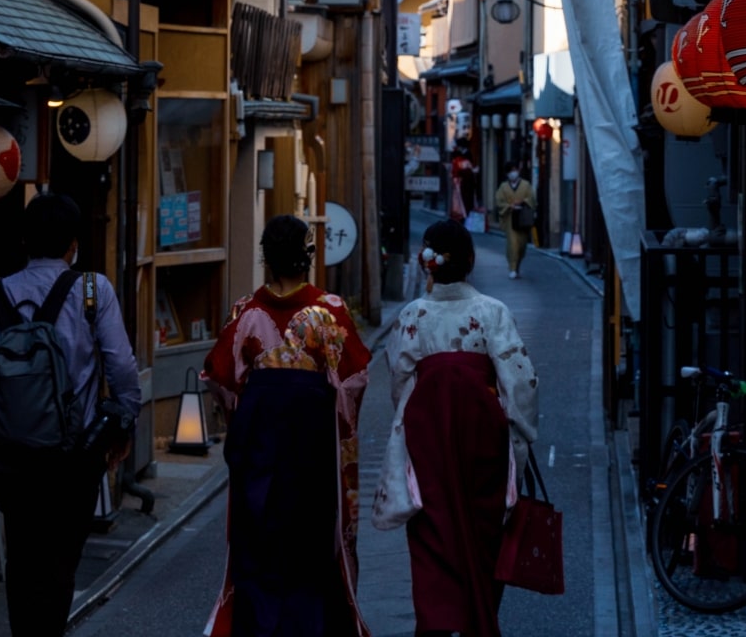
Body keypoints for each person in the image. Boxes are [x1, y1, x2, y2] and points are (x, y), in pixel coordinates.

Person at [0, 193, 139, 637]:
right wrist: (123, 420)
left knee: (22, 559)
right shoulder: (93, 291)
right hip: (73, 455)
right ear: (73, 245)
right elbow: (122, 368)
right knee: (60, 562)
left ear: (23, 241)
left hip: (12, 454)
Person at [204, 216, 372, 637]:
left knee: (258, 542)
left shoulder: (247, 312)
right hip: (311, 448)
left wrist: (245, 412)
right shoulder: (327, 311)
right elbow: (353, 382)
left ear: (267, 259)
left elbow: (220, 379)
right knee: (310, 544)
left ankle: (260, 626)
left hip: (259, 447)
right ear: (307, 256)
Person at [372, 221, 539, 637]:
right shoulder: (491, 312)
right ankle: (479, 622)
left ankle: (437, 625)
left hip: (428, 437)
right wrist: (519, 439)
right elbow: (520, 382)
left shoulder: (412, 316)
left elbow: (399, 382)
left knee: (432, 534)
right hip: (484, 437)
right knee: (484, 537)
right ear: (471, 260)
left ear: (427, 264)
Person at [494, 164, 537, 279]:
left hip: (523, 217)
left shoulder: (526, 185)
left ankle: (517, 265)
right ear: (507, 174)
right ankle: (512, 267)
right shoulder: (503, 187)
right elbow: (499, 201)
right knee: (512, 243)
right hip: (510, 218)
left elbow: (532, 199)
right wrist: (509, 206)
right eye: (510, 171)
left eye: (514, 170)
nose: (513, 173)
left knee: (522, 244)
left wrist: (523, 201)